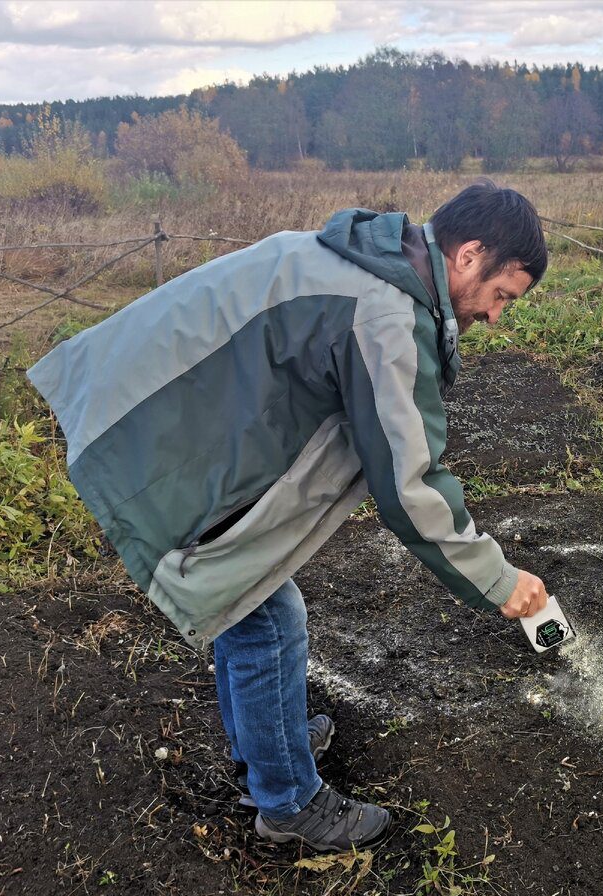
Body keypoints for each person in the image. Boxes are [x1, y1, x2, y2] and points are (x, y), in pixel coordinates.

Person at [27, 179, 551, 852]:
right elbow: (407, 480)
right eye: (502, 296)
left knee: (256, 608)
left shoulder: (354, 255)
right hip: (154, 433)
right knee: (267, 619)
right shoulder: (384, 312)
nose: (496, 317)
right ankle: (287, 804)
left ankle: (271, 742)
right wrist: (499, 580)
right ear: (469, 255)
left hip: (155, 410)